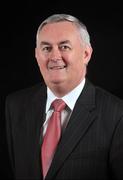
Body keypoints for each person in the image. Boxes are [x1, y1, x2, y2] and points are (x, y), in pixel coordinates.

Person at [5, 13, 123, 180]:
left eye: (64, 47)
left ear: (86, 54)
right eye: (46, 48)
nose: (54, 57)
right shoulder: (15, 106)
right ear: (36, 55)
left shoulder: (117, 115)